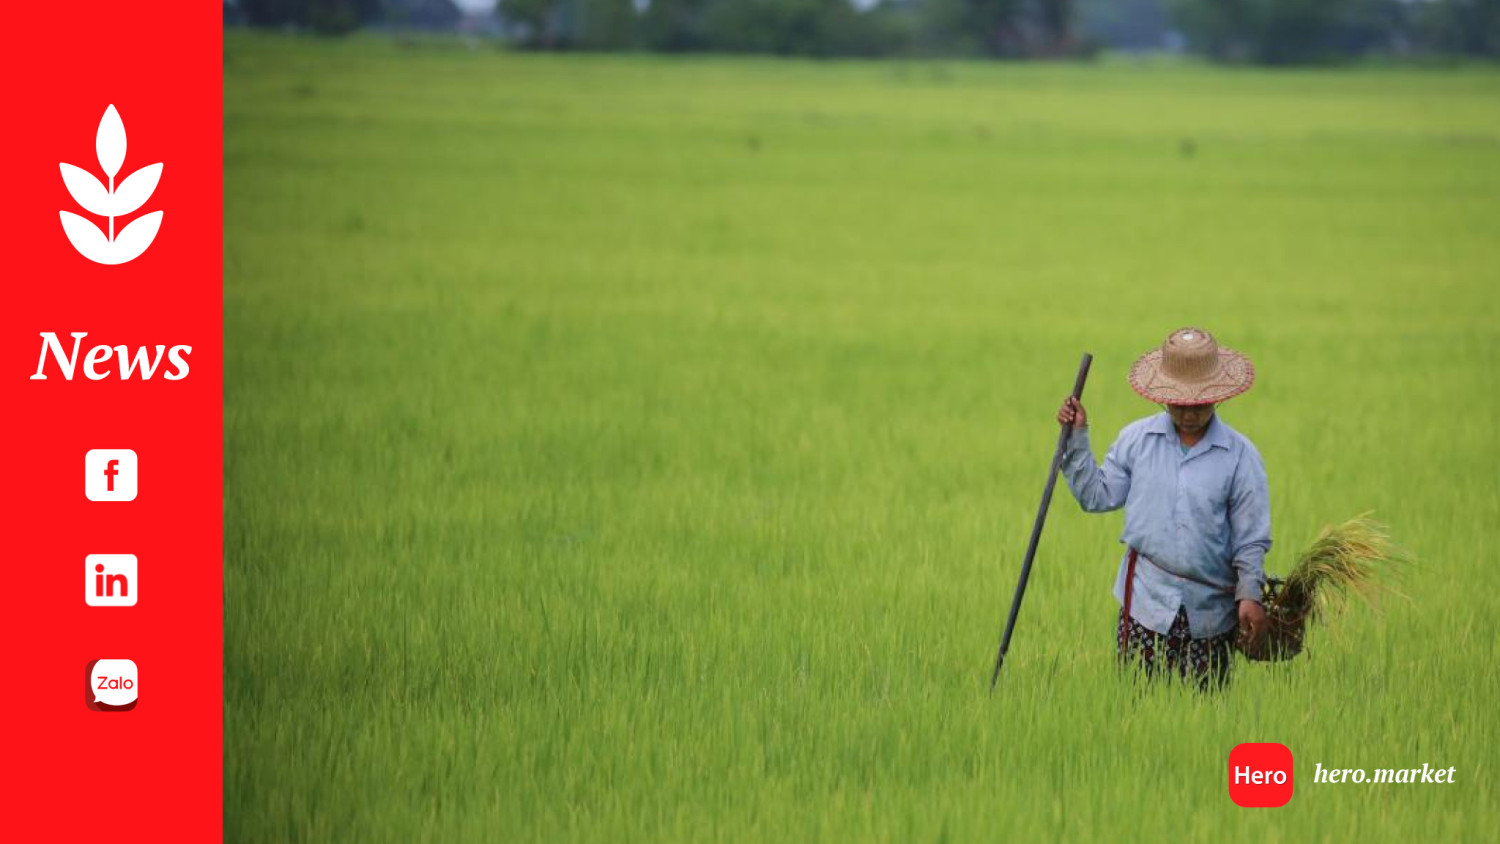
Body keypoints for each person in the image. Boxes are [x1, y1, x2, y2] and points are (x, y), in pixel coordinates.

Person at [1056, 327, 1271, 691]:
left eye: (1199, 404)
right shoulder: (1137, 441)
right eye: (1178, 403)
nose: (1188, 414)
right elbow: (1097, 495)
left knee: (1205, 720)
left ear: (1217, 397)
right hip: (1144, 604)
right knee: (1136, 712)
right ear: (1164, 397)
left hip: (1211, 615)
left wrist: (1250, 595)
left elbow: (1250, 539)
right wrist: (1077, 436)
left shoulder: (1240, 457)